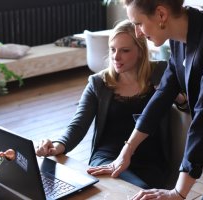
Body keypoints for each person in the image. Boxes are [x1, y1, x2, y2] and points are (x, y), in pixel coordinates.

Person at [92, 0, 203, 199]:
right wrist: (127, 151)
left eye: (138, 23)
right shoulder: (179, 38)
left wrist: (178, 193)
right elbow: (163, 94)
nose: (137, 32)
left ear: (161, 14)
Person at [36, 19, 172, 189]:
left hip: (150, 161)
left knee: (138, 190)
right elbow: (78, 125)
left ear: (140, 51)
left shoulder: (161, 73)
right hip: (107, 158)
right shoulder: (98, 83)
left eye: (125, 50)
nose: (116, 57)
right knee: (128, 190)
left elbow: (188, 107)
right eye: (113, 49)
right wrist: (57, 146)